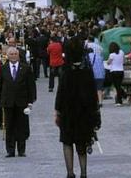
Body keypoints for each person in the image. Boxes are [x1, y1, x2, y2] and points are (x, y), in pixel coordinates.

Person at [54, 36, 100, 178]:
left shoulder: (66, 71)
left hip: (68, 111)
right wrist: (96, 112)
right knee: (82, 142)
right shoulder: (86, 70)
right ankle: (84, 173)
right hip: (84, 111)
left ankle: (70, 173)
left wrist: (57, 111)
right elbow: (93, 94)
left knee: (67, 141)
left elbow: (60, 93)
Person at [0, 47, 36, 157]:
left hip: (22, 102)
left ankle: (21, 149)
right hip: (8, 102)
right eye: (11, 54)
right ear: (7, 55)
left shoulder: (26, 68)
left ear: (18, 55)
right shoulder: (3, 68)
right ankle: (10, 150)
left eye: (15, 54)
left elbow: (31, 86)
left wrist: (30, 101)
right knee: (9, 126)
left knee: (21, 126)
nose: (13, 56)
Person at [87, 36, 105, 107]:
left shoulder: (87, 56)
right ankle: (100, 102)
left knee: (91, 88)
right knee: (99, 89)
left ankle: (93, 101)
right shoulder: (99, 55)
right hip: (100, 74)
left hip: (92, 74)